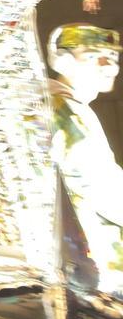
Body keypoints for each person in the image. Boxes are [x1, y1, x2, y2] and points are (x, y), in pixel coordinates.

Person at [47, 24, 123, 293]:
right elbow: (102, 188)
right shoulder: (65, 111)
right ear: (64, 61)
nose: (110, 67)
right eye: (94, 56)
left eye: (113, 58)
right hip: (95, 260)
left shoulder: (56, 104)